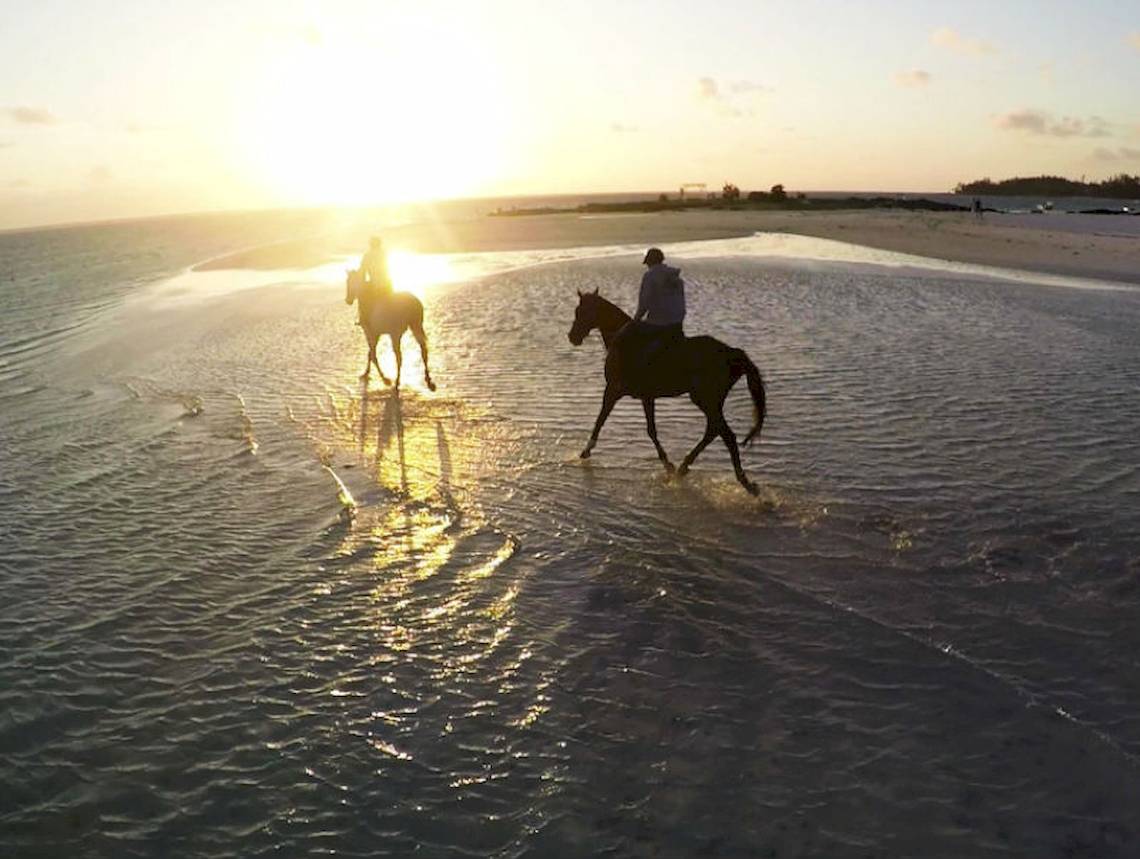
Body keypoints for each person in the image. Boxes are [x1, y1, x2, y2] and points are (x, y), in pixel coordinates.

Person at [615, 247, 686, 365]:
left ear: (650, 262)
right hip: (677, 323)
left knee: (626, 338)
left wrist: (634, 321)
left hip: (658, 323)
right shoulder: (676, 277)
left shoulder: (649, 276)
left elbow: (644, 304)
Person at [359, 236, 393, 300]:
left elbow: (362, 269)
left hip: (374, 283)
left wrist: (362, 280)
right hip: (386, 282)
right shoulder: (383, 253)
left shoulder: (368, 255)